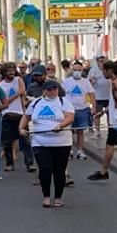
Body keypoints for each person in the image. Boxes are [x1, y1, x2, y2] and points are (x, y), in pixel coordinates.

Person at [22, 78, 75, 207]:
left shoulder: (64, 101)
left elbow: (70, 117)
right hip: (40, 142)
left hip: (62, 142)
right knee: (45, 169)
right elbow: (26, 116)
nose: (52, 92)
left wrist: (60, 126)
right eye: (49, 89)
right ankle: (46, 196)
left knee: (59, 170)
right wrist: (21, 128)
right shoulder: (36, 102)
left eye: (55, 89)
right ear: (44, 91)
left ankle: (58, 197)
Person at [62, 61, 95, 160]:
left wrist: (93, 107)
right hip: (69, 110)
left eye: (79, 70)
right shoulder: (66, 81)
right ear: (72, 70)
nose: (77, 72)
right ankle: (69, 150)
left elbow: (92, 94)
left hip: (83, 109)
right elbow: (61, 94)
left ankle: (80, 150)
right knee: (69, 131)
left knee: (80, 131)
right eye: (75, 70)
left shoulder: (86, 82)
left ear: (82, 70)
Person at [0, 63, 27, 173]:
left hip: (20, 113)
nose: (11, 73)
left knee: (25, 140)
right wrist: (15, 95)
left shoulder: (18, 79)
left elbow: (22, 91)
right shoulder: (1, 85)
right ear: (4, 72)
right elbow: (4, 101)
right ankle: (9, 164)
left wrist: (13, 97)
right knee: (7, 141)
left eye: (12, 70)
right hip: (7, 114)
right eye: (8, 71)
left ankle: (29, 164)